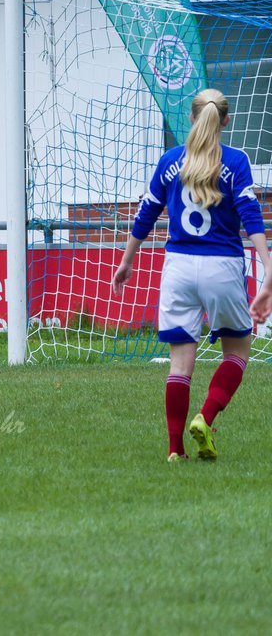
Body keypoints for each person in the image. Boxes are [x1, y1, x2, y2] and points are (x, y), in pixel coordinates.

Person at [112, 88, 272, 462]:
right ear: (225, 121)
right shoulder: (235, 161)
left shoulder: (171, 160)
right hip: (222, 266)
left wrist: (126, 260)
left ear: (191, 118)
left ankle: (174, 450)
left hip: (179, 266)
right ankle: (206, 417)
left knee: (180, 364)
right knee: (238, 351)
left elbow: (146, 214)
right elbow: (251, 218)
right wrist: (268, 269)